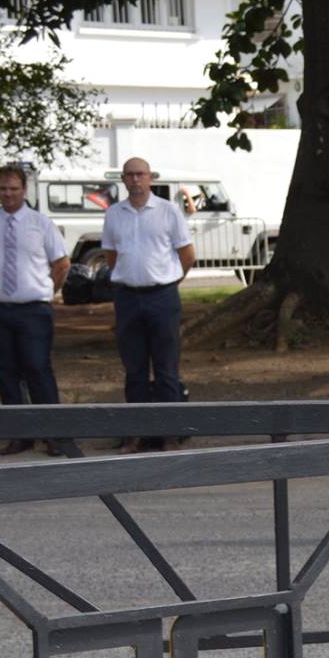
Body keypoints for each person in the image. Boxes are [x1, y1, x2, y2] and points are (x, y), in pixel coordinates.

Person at [0, 163, 69, 456]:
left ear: (24, 190)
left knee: (38, 369)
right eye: (2, 189)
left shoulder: (41, 223)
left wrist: (45, 291)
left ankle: (53, 434)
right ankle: (20, 434)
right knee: (5, 372)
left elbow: (61, 264)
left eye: (13, 189)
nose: (7, 194)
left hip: (33, 311)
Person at [98, 157, 193, 453]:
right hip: (127, 297)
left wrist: (165, 282)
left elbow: (187, 255)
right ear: (123, 180)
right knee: (134, 368)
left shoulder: (169, 212)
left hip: (162, 297)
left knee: (166, 369)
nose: (136, 180)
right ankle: (136, 433)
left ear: (150, 177)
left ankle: (169, 434)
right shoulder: (113, 214)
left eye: (141, 174)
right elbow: (112, 257)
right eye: (130, 175)